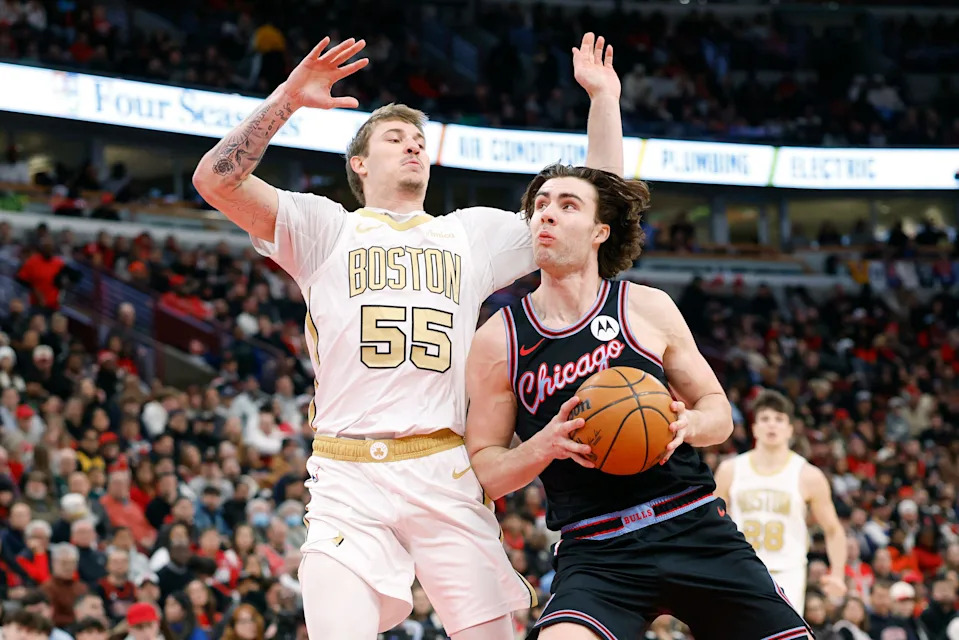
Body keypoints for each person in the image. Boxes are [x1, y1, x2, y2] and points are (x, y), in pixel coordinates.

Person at [193, 30, 625, 640]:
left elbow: (594, 207)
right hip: (347, 474)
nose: (413, 144)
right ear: (360, 165)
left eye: (419, 139)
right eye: (395, 137)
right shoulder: (324, 229)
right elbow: (215, 180)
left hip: (443, 465)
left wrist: (603, 99)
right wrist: (288, 99)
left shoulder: (470, 234)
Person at [464, 163, 813, 640]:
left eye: (568, 205)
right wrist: (543, 445)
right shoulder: (498, 338)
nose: (547, 214)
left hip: (692, 525)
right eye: (540, 204)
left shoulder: (646, 307)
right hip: (597, 548)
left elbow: (718, 413)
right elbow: (486, 470)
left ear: (599, 232)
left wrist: (688, 424)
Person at [714, 389, 848, 613]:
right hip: (739, 569)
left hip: (787, 572)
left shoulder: (808, 475)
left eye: (779, 419)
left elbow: (833, 529)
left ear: (790, 429)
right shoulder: (730, 469)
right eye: (765, 419)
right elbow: (711, 522)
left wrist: (838, 574)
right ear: (754, 428)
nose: (771, 425)